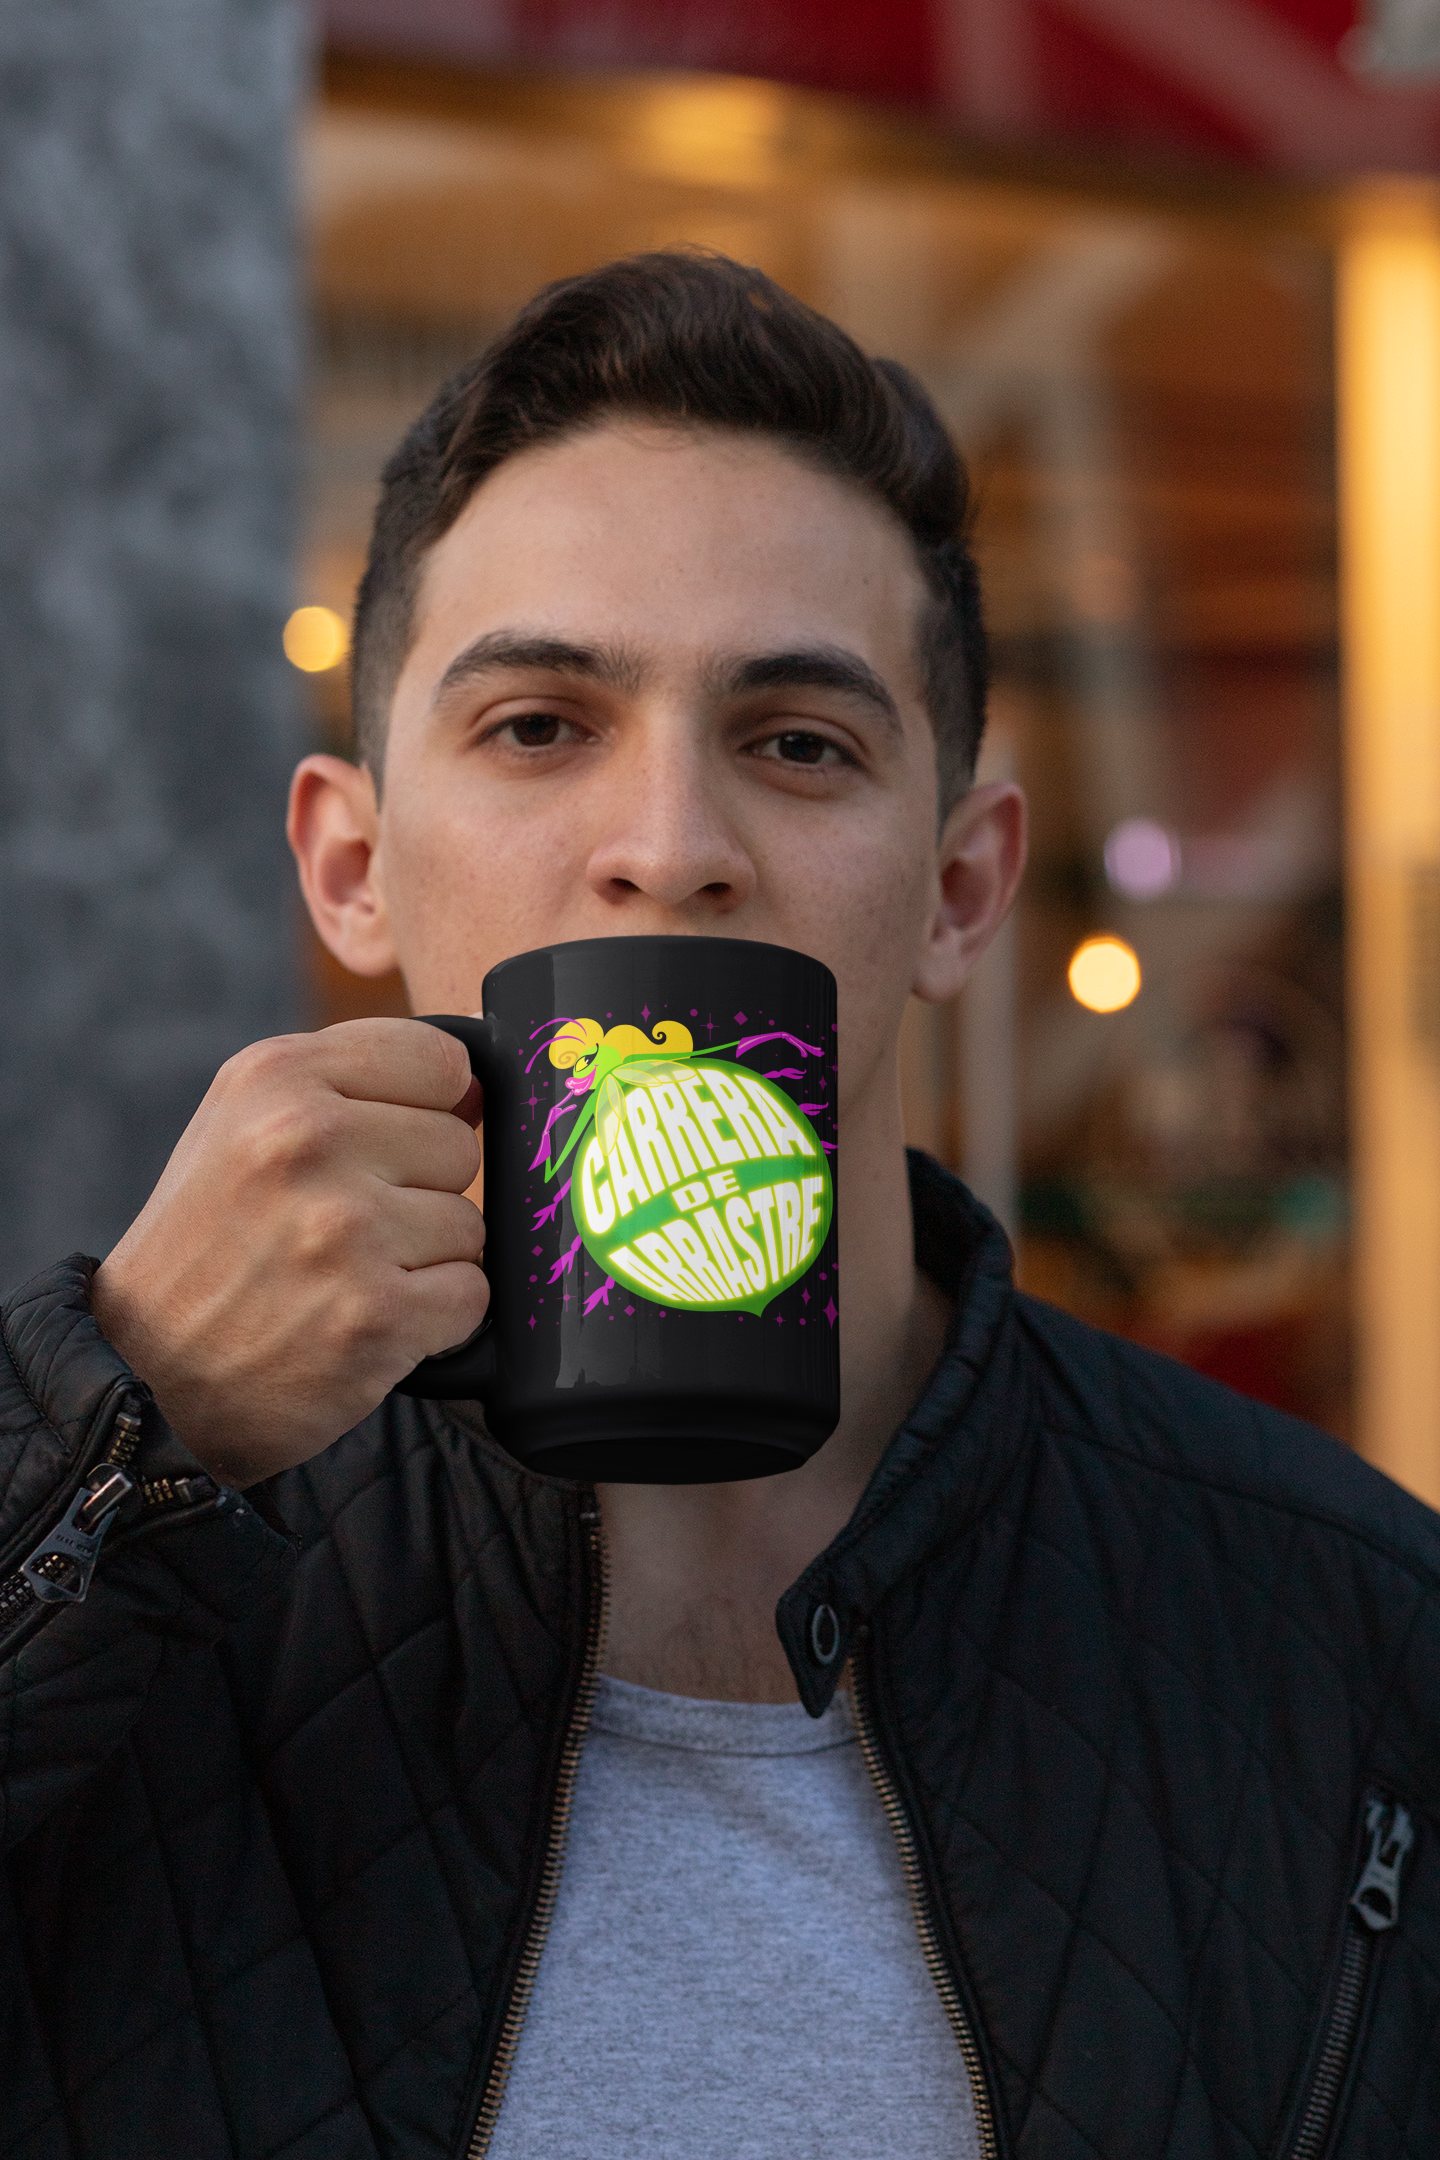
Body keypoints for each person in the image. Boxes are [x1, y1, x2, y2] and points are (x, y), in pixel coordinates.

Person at [2, 251, 1437, 2160]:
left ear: (960, 889)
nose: (671, 847)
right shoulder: (125, 1551)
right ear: (351, 866)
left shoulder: (1350, 1627)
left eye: (798, 744)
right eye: (539, 726)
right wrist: (113, 1443)